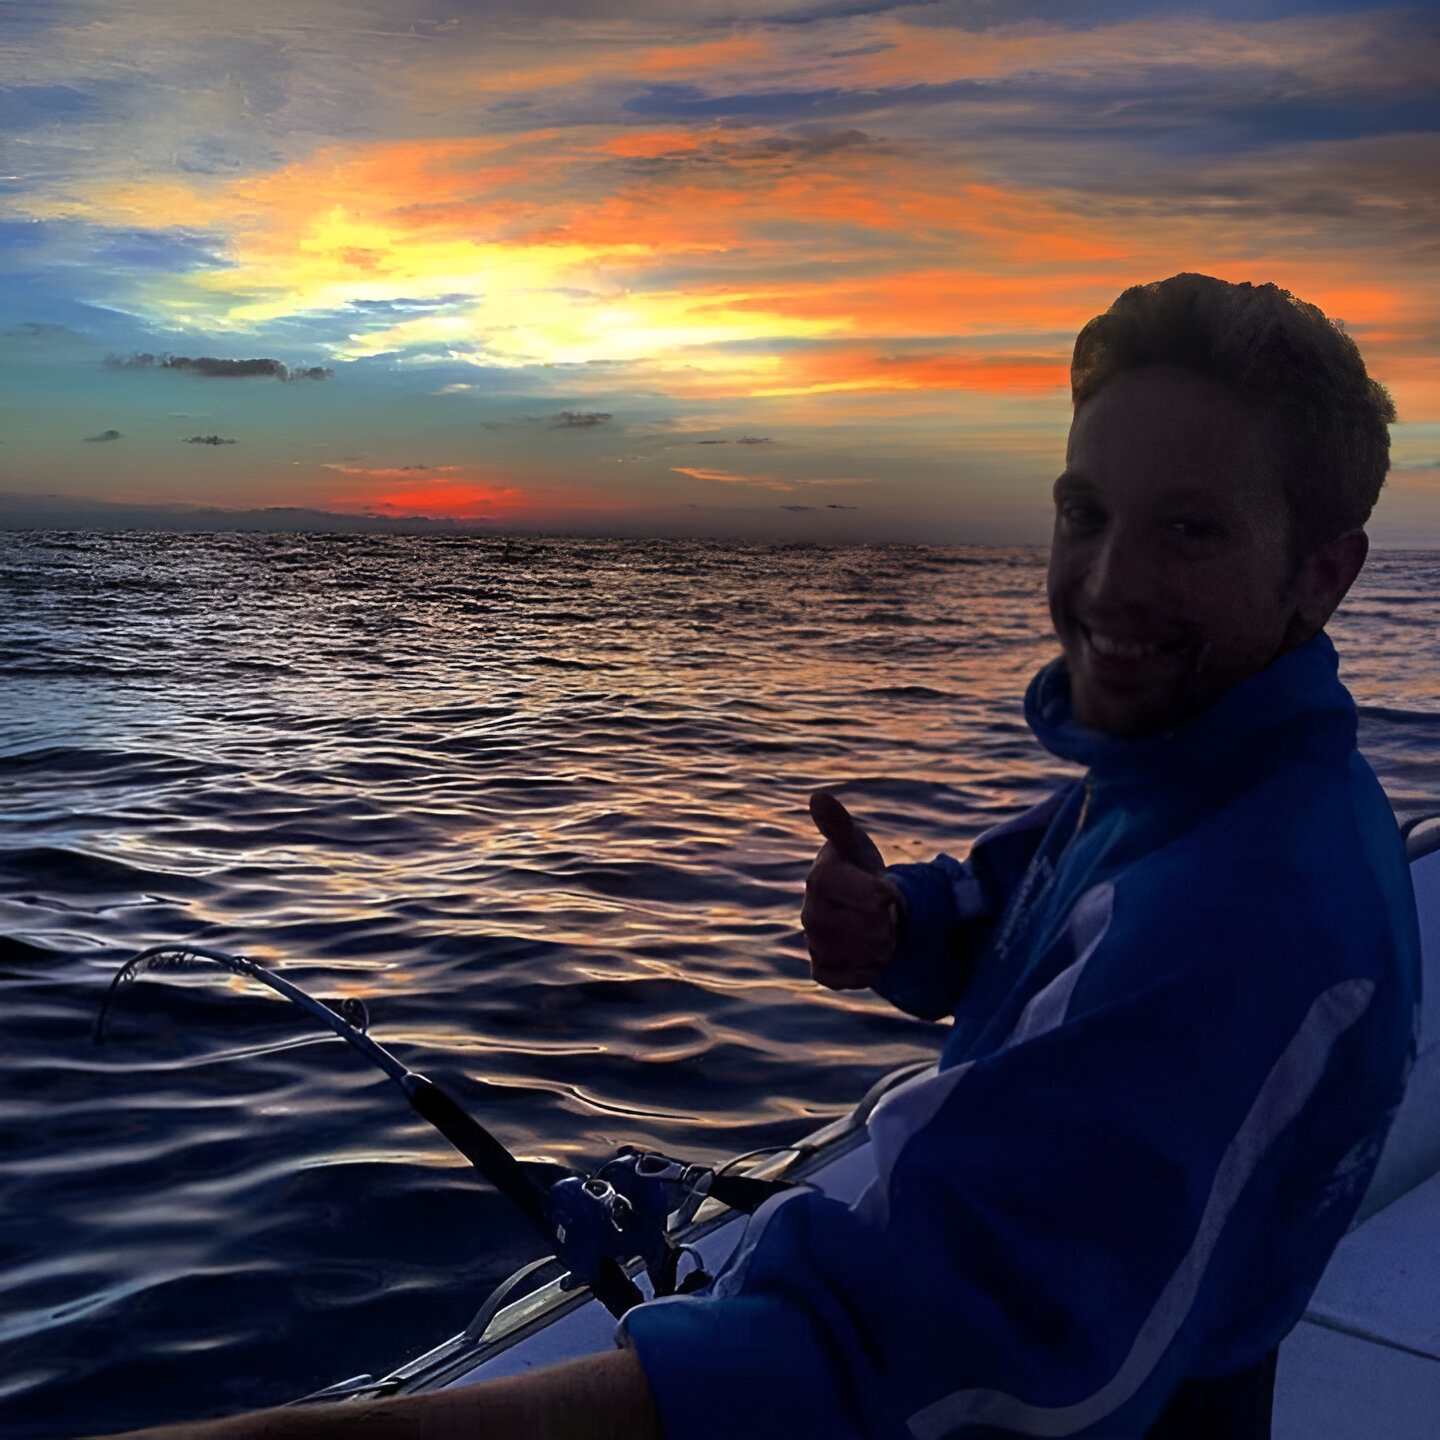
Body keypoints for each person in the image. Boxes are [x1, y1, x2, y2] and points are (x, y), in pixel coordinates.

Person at [98, 274, 1419, 1440]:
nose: (1109, 579)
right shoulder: (1188, 777)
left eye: (1190, 530)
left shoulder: (1250, 914)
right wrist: (906, 922)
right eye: (1086, 510)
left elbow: (885, 1373)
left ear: (1324, 572)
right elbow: (1027, 897)